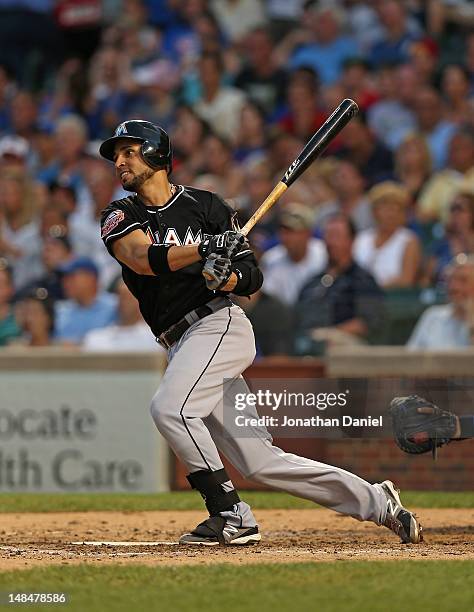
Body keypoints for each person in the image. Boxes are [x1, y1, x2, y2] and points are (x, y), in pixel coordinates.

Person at [97, 119, 422, 546]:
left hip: (219, 326)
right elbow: (141, 258)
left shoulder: (209, 207)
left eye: (129, 151)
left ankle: (230, 513)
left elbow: (251, 278)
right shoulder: (122, 214)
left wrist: (225, 277)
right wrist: (204, 250)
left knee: (171, 410)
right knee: (260, 461)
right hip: (181, 343)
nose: (119, 161)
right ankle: (378, 501)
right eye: (117, 154)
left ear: (157, 153)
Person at [295, 214, 384, 353]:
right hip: (305, 343)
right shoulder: (312, 281)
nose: (331, 242)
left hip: (343, 345)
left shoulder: (362, 280)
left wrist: (330, 333)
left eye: (336, 236)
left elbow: (369, 322)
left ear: (351, 240)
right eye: (328, 236)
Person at [354, 182, 421, 288]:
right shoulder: (362, 239)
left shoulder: (408, 240)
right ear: (374, 211)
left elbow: (406, 280)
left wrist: (374, 289)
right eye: (386, 208)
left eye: (397, 209)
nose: (391, 214)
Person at [260, 202, 327, 306]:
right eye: (283, 231)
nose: (286, 237)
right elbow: (268, 300)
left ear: (307, 233)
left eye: (292, 232)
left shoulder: (323, 254)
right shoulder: (272, 259)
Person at [407, 254, 474, 349]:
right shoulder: (432, 317)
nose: (454, 287)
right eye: (450, 280)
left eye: (463, 280)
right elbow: (410, 358)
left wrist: (471, 322)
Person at [54, 256, 117, 345]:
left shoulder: (116, 307)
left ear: (91, 279)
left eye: (72, 277)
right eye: (64, 279)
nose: (65, 283)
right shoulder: (60, 312)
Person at [82, 278, 158, 352]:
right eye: (121, 296)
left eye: (129, 296)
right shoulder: (96, 338)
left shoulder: (155, 338)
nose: (124, 301)